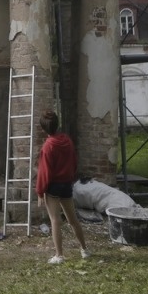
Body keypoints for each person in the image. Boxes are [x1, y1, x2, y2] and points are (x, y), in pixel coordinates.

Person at [35, 109, 90, 264]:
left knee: (55, 220)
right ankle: (84, 249)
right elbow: (74, 162)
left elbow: (44, 172)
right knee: (73, 220)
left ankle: (59, 255)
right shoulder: (67, 141)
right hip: (66, 184)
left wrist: (40, 191)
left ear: (43, 128)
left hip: (53, 187)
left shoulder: (48, 146)